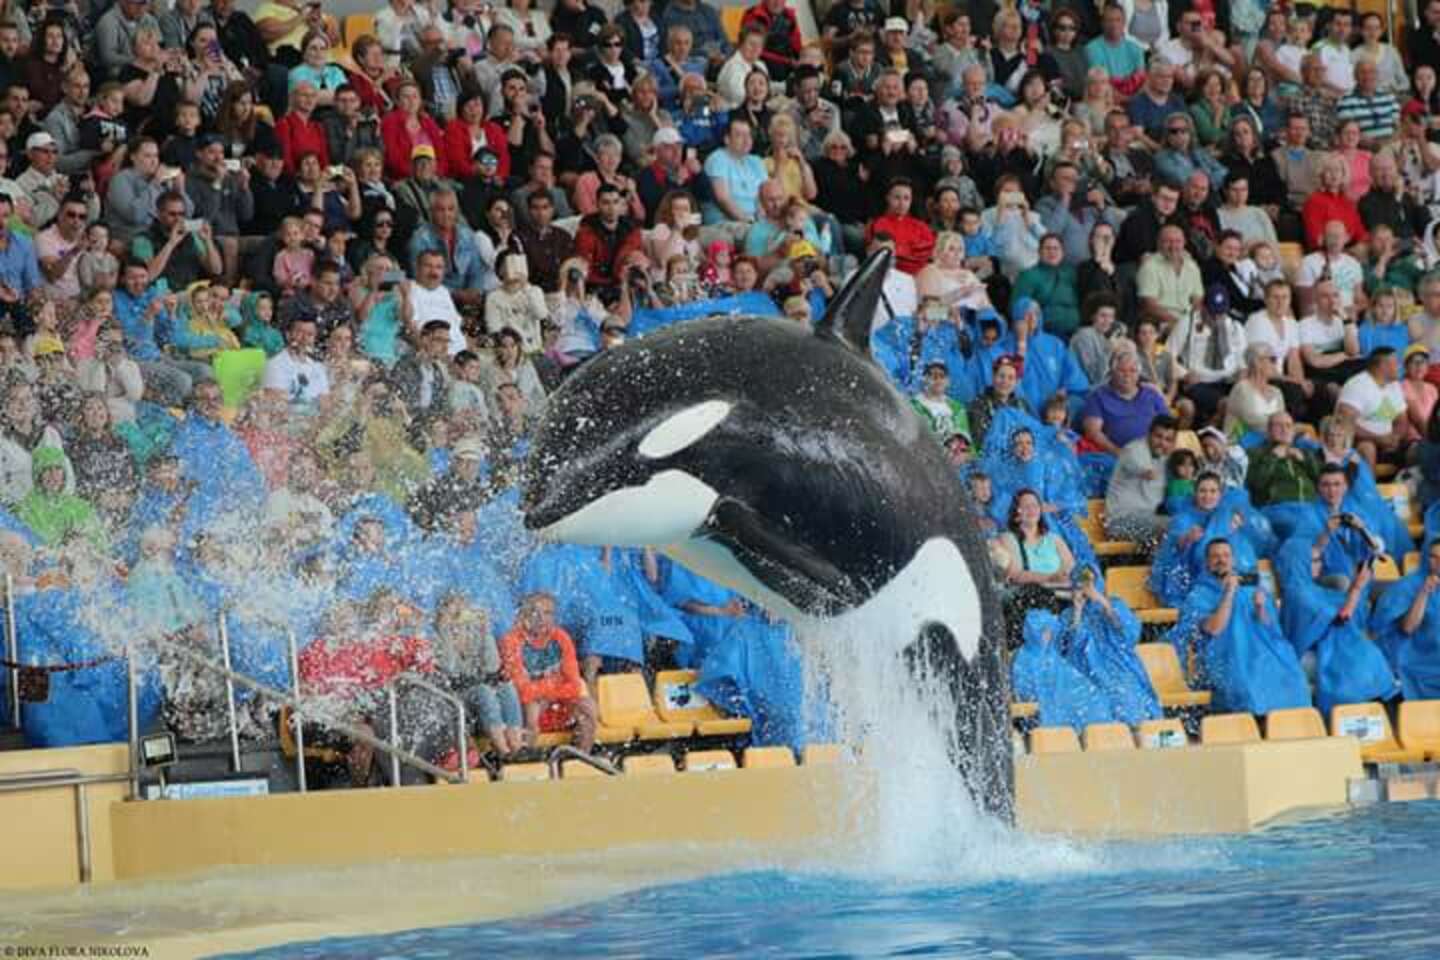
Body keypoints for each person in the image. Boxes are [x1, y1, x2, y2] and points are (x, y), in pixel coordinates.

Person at [1168, 538, 1310, 716]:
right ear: (1207, 562)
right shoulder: (1198, 596)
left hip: (1260, 652)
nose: (1221, 559)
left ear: (1233, 560)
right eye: (1215, 556)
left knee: (1291, 676)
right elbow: (1214, 629)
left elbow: (1268, 625)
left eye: (1226, 555)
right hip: (1225, 658)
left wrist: (1260, 607)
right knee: (1249, 686)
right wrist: (1229, 592)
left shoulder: (1250, 587)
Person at [500, 591, 597, 753]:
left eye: (547, 613)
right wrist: (555, 684)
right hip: (524, 713)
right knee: (531, 707)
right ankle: (526, 760)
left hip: (555, 706)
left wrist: (542, 692)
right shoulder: (511, 640)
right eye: (534, 612)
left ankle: (579, 760)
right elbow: (521, 691)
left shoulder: (561, 638)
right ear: (524, 615)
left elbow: (574, 686)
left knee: (588, 707)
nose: (541, 618)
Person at [996, 488, 1076, 648]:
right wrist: (1049, 578)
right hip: (1029, 597)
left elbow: (1070, 567)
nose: (1031, 510)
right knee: (1037, 595)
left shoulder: (1054, 539)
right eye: (1026, 506)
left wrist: (1064, 580)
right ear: (1016, 512)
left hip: (1058, 592)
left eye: (1035, 506)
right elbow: (1016, 574)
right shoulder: (1008, 538)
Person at [1104, 413, 1178, 547]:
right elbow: (1141, 468)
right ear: (1149, 434)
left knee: (1187, 524)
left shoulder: (1166, 458)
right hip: (1120, 523)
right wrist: (1147, 471)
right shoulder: (1134, 450)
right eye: (1158, 436)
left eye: (1168, 439)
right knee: (1176, 526)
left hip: (1149, 520)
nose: (1162, 443)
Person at [1079, 350, 1170, 457]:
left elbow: (1168, 425)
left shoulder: (1151, 394)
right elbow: (1093, 433)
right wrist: (1119, 453)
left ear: (1138, 374)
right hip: (1117, 456)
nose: (1127, 375)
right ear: (1112, 372)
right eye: (1122, 370)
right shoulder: (1098, 396)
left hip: (1154, 453)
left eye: (1132, 371)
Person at [1336, 347, 1406, 467]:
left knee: (1416, 448)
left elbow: (1402, 419)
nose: (1400, 367)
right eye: (1396, 363)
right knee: (1368, 448)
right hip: (1357, 442)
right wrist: (1379, 439)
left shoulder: (1395, 385)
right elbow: (1344, 423)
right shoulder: (1357, 385)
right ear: (1383, 366)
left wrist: (1395, 438)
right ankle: (1369, 486)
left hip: (1387, 442)